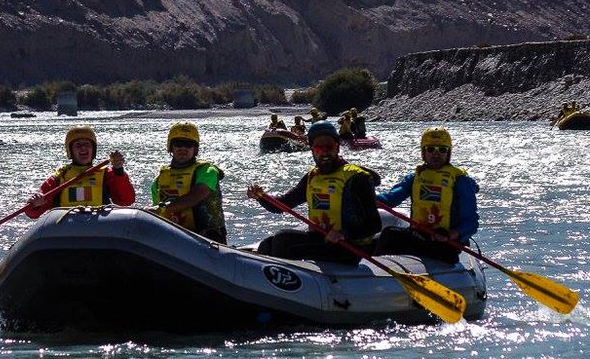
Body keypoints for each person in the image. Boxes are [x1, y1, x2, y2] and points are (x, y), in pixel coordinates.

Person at [247, 120, 381, 264]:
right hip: (322, 241)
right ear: (312, 150)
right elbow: (282, 205)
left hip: (350, 247)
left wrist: (344, 233)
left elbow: (374, 225)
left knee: (283, 240)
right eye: (318, 149)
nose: (324, 153)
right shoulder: (312, 177)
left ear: (337, 148)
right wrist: (261, 197)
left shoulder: (357, 178)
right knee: (268, 244)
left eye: (329, 147)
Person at [373, 127, 478, 264]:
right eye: (430, 149)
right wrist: (368, 197)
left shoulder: (461, 181)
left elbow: (471, 223)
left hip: (446, 244)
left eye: (442, 149)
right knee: (382, 237)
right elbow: (390, 199)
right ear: (424, 152)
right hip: (420, 236)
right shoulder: (415, 177)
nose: (436, 154)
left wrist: (452, 234)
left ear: (448, 153)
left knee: (390, 235)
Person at [25, 124, 135, 217]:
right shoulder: (59, 177)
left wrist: (119, 171)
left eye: (87, 144)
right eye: (78, 145)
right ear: (70, 151)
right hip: (68, 230)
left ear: (93, 149)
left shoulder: (107, 174)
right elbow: (32, 213)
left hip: (98, 229)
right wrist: (35, 204)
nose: (83, 148)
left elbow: (126, 200)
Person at [150, 122, 227, 243]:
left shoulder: (208, 171)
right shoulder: (159, 179)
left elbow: (196, 196)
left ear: (195, 148)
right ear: (171, 146)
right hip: (175, 239)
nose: (183, 148)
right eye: (178, 143)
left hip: (208, 240)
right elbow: (158, 212)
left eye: (188, 144)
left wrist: (163, 209)